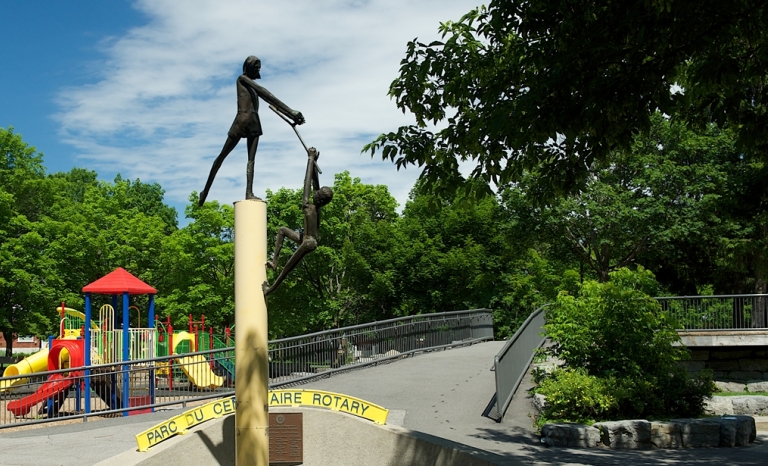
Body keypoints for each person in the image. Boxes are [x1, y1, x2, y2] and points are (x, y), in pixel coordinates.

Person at [199, 55, 305, 205]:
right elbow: (264, 92)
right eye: (256, 68)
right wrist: (291, 111)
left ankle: (249, 192)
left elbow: (268, 99)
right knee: (222, 155)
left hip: (254, 122)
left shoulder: (251, 87)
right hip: (242, 120)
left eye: (259, 68)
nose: (258, 70)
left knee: (251, 159)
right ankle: (206, 190)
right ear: (249, 67)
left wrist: (290, 114)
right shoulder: (242, 79)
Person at [264, 147, 333, 296]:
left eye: (318, 194)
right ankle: (274, 262)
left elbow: (307, 184)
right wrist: (314, 162)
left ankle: (268, 290)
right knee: (282, 230)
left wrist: (309, 159)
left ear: (319, 198)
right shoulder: (317, 207)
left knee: (288, 267)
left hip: (309, 242)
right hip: (308, 239)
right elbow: (316, 184)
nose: (315, 193)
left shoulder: (309, 206)